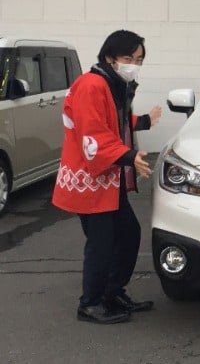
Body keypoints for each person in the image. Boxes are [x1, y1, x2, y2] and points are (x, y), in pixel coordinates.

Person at [52, 30, 162, 323]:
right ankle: (90, 303)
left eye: (139, 59)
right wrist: (129, 157)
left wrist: (146, 121)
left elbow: (116, 120)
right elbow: (94, 133)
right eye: (128, 58)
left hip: (107, 181)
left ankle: (112, 293)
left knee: (127, 236)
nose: (134, 65)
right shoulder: (92, 85)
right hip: (91, 180)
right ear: (110, 57)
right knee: (102, 244)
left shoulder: (111, 83)